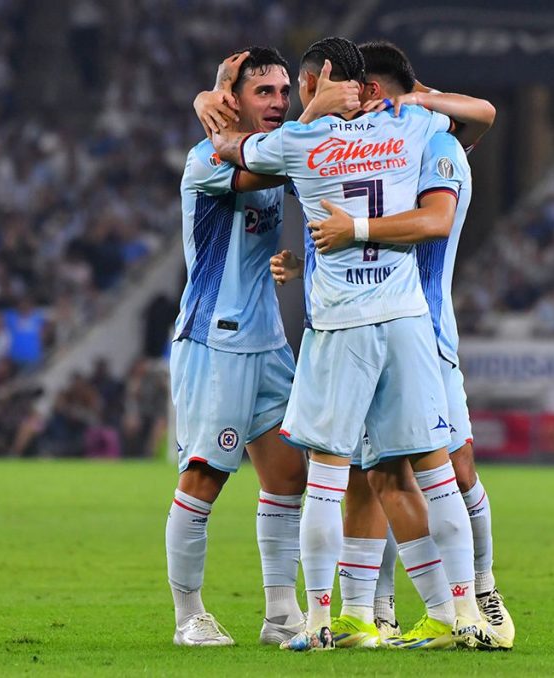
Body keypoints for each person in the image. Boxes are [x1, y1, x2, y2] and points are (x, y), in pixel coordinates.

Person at [210, 36, 497, 651]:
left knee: (329, 477)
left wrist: (214, 96)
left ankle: (316, 621)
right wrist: (416, 97)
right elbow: (482, 113)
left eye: (298, 88)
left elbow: (227, 148)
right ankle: (464, 613)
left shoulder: (299, 143)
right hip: (408, 321)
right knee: (434, 473)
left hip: (340, 327)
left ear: (313, 85)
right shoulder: (415, 125)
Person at [165, 46, 352, 648]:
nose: (276, 103)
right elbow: (268, 170)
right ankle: (188, 615)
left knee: (288, 476)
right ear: (233, 99)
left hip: (269, 341)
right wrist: (314, 113)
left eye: (282, 92)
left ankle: (279, 616)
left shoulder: (277, 153)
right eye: (262, 93)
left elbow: (304, 177)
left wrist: (292, 261)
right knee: (204, 478)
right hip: (214, 341)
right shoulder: (206, 159)